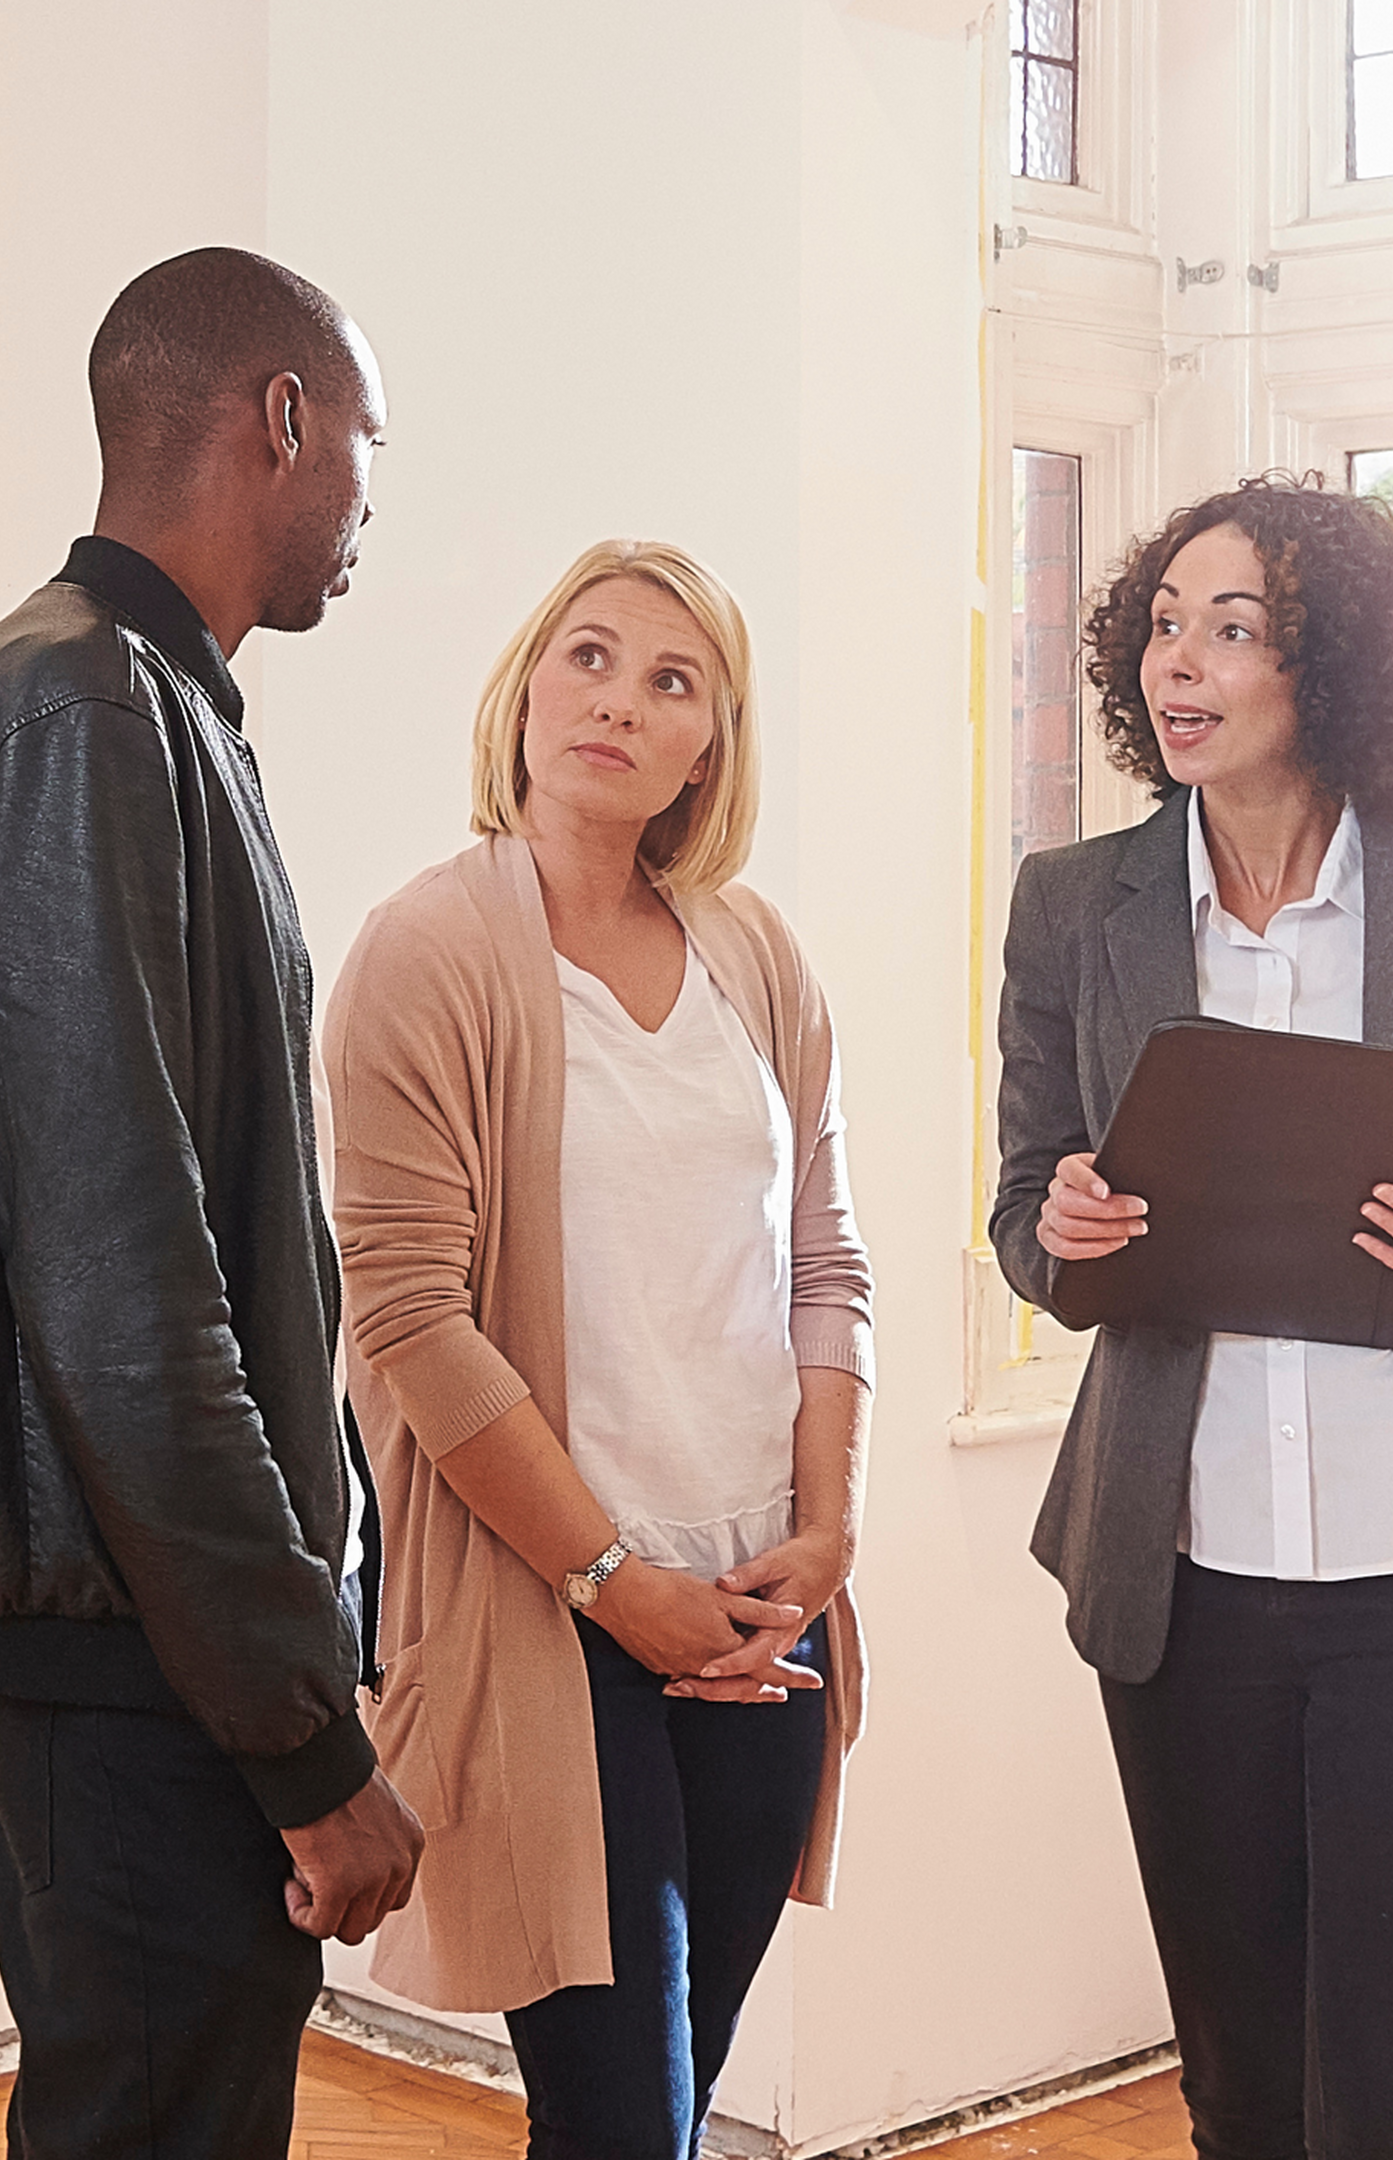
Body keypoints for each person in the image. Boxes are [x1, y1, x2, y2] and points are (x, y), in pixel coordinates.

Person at [991, 475, 1393, 2160]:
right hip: (1184, 1594)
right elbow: (1019, 1208)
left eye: (1235, 627)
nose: (1176, 664)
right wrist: (1057, 1228)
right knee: (1242, 2104)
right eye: (1161, 626)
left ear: (1334, 666)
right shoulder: (1078, 907)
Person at [322, 538, 873, 2160]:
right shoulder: (426, 951)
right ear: (526, 683)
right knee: (622, 2118)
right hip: (555, 1611)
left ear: (713, 744)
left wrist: (825, 1536)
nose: (619, 702)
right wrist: (619, 1586)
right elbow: (410, 1317)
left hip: (766, 1600)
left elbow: (828, 1265)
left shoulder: (758, 957)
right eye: (590, 656)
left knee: (669, 2111)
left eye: (670, 681)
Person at [0, 248, 424, 2159]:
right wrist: (298, 1732)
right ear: (281, 421)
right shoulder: (89, 710)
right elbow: (121, 1284)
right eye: (365, 450)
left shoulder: (151, 704)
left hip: (147, 1657)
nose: (366, 507)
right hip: (134, 1683)